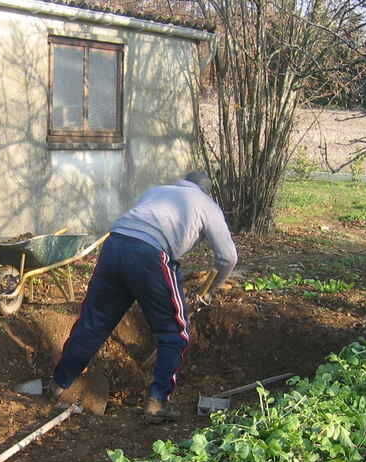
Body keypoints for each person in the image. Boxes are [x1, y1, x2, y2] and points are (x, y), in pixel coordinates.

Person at [46, 171, 238, 422]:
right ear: (206, 191)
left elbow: (138, 226)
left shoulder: (157, 191)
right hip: (151, 256)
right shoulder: (206, 205)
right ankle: (157, 404)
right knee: (174, 333)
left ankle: (59, 384)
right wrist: (212, 290)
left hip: (114, 247)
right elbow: (228, 258)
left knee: (94, 322)